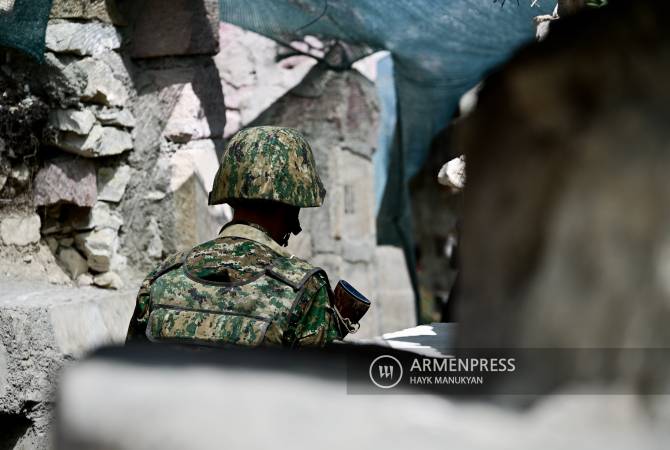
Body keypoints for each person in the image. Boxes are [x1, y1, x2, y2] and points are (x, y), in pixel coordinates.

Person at [126, 126, 353, 347]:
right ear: (292, 207)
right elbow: (316, 382)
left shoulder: (163, 276)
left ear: (230, 194)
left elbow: (128, 374)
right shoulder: (304, 289)